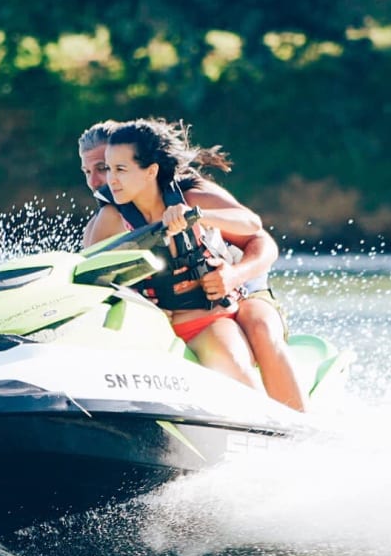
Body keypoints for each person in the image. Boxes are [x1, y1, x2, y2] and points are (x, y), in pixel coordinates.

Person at [80, 118, 306, 412]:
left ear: (149, 170)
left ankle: (298, 425)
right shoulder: (108, 220)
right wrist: (140, 304)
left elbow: (256, 231)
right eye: (96, 170)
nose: (101, 181)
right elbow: (91, 279)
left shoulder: (192, 193)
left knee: (258, 326)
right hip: (174, 316)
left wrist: (231, 270)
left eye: (111, 168)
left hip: (237, 295)